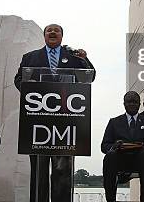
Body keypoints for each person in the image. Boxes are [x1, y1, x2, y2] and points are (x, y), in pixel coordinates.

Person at [14, 23, 95, 202]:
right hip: (37, 122)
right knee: (39, 171)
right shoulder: (30, 58)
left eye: (56, 30)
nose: (52, 32)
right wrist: (31, 93)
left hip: (65, 123)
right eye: (49, 30)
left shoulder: (73, 57)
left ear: (61, 36)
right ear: (44, 36)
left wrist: (85, 59)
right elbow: (19, 79)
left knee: (63, 172)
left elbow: (90, 76)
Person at [101, 91, 144, 202]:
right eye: (129, 102)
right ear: (124, 104)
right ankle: (110, 199)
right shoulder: (114, 122)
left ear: (139, 104)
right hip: (120, 158)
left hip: (141, 159)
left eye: (135, 102)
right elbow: (104, 146)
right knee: (110, 156)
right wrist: (114, 146)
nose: (132, 104)